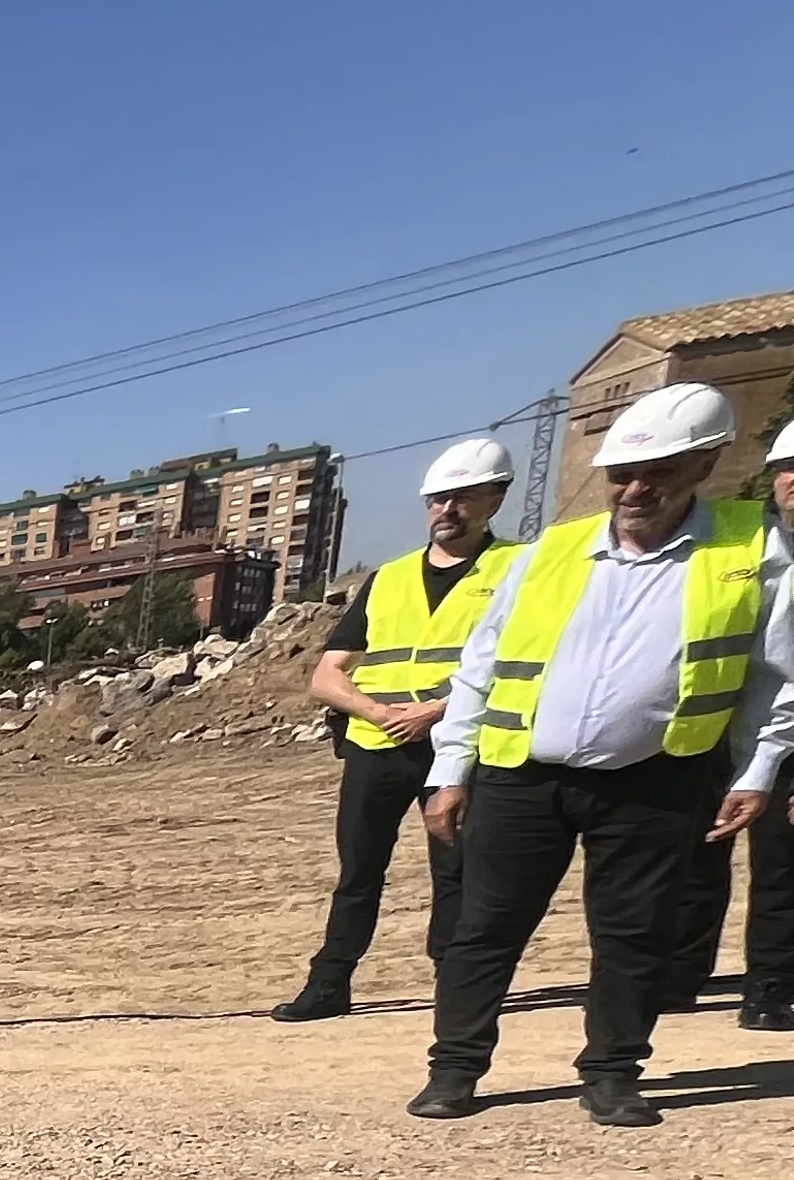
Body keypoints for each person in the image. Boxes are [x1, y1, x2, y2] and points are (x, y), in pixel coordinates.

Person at [414, 383, 794, 1126]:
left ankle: (614, 1072)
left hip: (655, 779)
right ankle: (455, 1067)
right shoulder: (552, 551)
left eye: (658, 474)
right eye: (623, 474)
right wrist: (449, 772)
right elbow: (480, 668)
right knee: (486, 928)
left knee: (634, 932)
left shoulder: (751, 549)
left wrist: (757, 770)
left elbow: (775, 676)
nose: (635, 489)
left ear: (706, 464)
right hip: (524, 773)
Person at [271, 438, 519, 1020]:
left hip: (458, 747)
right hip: (377, 747)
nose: (447, 510)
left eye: (462, 498)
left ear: (495, 498)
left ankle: (454, 985)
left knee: (456, 872)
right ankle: (330, 983)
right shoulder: (388, 578)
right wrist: (381, 715)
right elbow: (327, 676)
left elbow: (521, 662)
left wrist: (434, 711)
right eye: (437, 499)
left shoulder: (517, 569)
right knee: (358, 872)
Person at [666, 419, 794, 1035]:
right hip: (713, 725)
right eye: (788, 470)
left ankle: (769, 989)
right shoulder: (744, 545)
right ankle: (679, 977)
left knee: (782, 867)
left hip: (788, 739)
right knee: (694, 856)